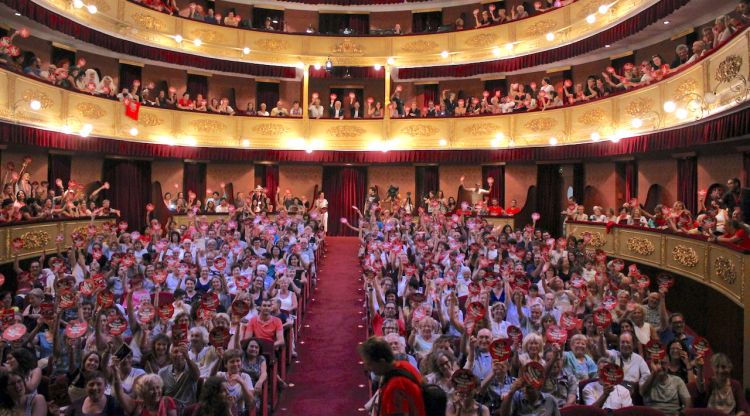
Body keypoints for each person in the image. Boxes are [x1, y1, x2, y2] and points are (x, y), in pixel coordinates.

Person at [358, 337, 427, 416]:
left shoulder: (395, 386)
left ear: (381, 362)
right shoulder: (406, 365)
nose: (367, 368)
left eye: (370, 364)